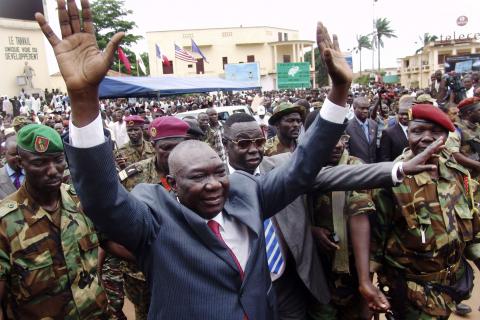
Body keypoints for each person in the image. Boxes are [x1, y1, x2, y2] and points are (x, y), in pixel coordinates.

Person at [36, 3, 353, 317]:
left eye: (219, 172)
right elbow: (103, 200)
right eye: (198, 177)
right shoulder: (155, 221)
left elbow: (303, 166)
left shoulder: (246, 194)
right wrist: (83, 97)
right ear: (173, 184)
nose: (214, 184)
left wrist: (339, 91)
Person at [371, 104, 480, 319]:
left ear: (447, 136)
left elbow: (473, 229)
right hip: (412, 293)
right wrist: (368, 287)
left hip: (451, 289)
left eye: (436, 132)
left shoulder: (460, 175)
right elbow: (374, 245)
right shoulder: (392, 180)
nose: (427, 138)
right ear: (408, 133)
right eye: (418, 131)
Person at [0, 124, 108, 319]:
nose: (52, 171)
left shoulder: (80, 201)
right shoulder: (4, 223)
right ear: (20, 162)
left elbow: (108, 243)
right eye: (39, 163)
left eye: (58, 160)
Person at [119, 116, 190, 320]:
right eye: (166, 148)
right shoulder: (132, 177)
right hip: (143, 274)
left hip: (186, 268)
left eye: (178, 147)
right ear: (153, 146)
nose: (172, 154)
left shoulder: (196, 173)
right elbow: (107, 233)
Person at [345, 97, 378, 163]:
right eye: (362, 108)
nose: (365, 111)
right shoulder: (347, 127)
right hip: (357, 168)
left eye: (367, 108)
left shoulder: (374, 124)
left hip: (373, 166)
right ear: (354, 109)